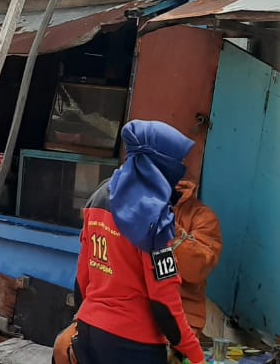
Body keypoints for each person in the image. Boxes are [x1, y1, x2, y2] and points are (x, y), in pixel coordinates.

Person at [72, 120, 206, 364]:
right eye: (178, 163)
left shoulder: (99, 197)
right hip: (132, 345)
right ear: (160, 164)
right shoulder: (153, 218)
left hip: (90, 332)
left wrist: (82, 321)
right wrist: (196, 356)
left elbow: (82, 278)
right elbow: (164, 301)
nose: (182, 170)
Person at [171, 178, 223, 338]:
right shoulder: (132, 207)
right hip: (133, 311)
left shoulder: (203, 217)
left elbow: (197, 268)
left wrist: (168, 227)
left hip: (181, 317)